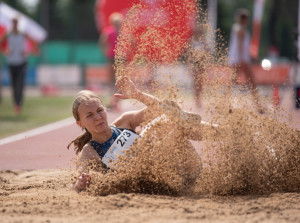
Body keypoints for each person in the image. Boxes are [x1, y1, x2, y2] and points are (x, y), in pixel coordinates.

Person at [67, 75, 223, 192]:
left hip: (185, 167)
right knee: (160, 127)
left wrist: (137, 94)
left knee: (163, 121)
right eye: (90, 115)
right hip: (160, 182)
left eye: (100, 111)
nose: (98, 117)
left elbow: (160, 108)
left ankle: (227, 132)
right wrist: (80, 183)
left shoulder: (124, 122)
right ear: (80, 124)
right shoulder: (90, 151)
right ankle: (184, 122)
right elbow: (77, 184)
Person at [228, 8, 263, 113]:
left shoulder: (237, 28)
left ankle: (225, 103)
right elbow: (239, 46)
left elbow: (242, 46)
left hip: (237, 59)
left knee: (232, 82)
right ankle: (258, 106)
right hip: (240, 60)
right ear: (244, 19)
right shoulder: (240, 29)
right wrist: (241, 59)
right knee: (251, 82)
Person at [0, 17, 32, 114]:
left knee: (20, 84)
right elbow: (1, 43)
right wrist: (5, 51)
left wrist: (27, 52)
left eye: (16, 22)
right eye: (13, 22)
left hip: (21, 62)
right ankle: (16, 103)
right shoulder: (8, 34)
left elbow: (31, 43)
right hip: (11, 62)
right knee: (14, 84)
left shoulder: (23, 33)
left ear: (18, 23)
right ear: (12, 23)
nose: (15, 24)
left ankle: (19, 103)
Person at [99, 12, 123, 111]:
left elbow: (102, 42)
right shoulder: (123, 32)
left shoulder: (108, 31)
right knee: (119, 81)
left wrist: (105, 51)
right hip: (119, 57)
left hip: (112, 56)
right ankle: (114, 101)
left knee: (112, 81)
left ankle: (112, 101)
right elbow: (132, 42)